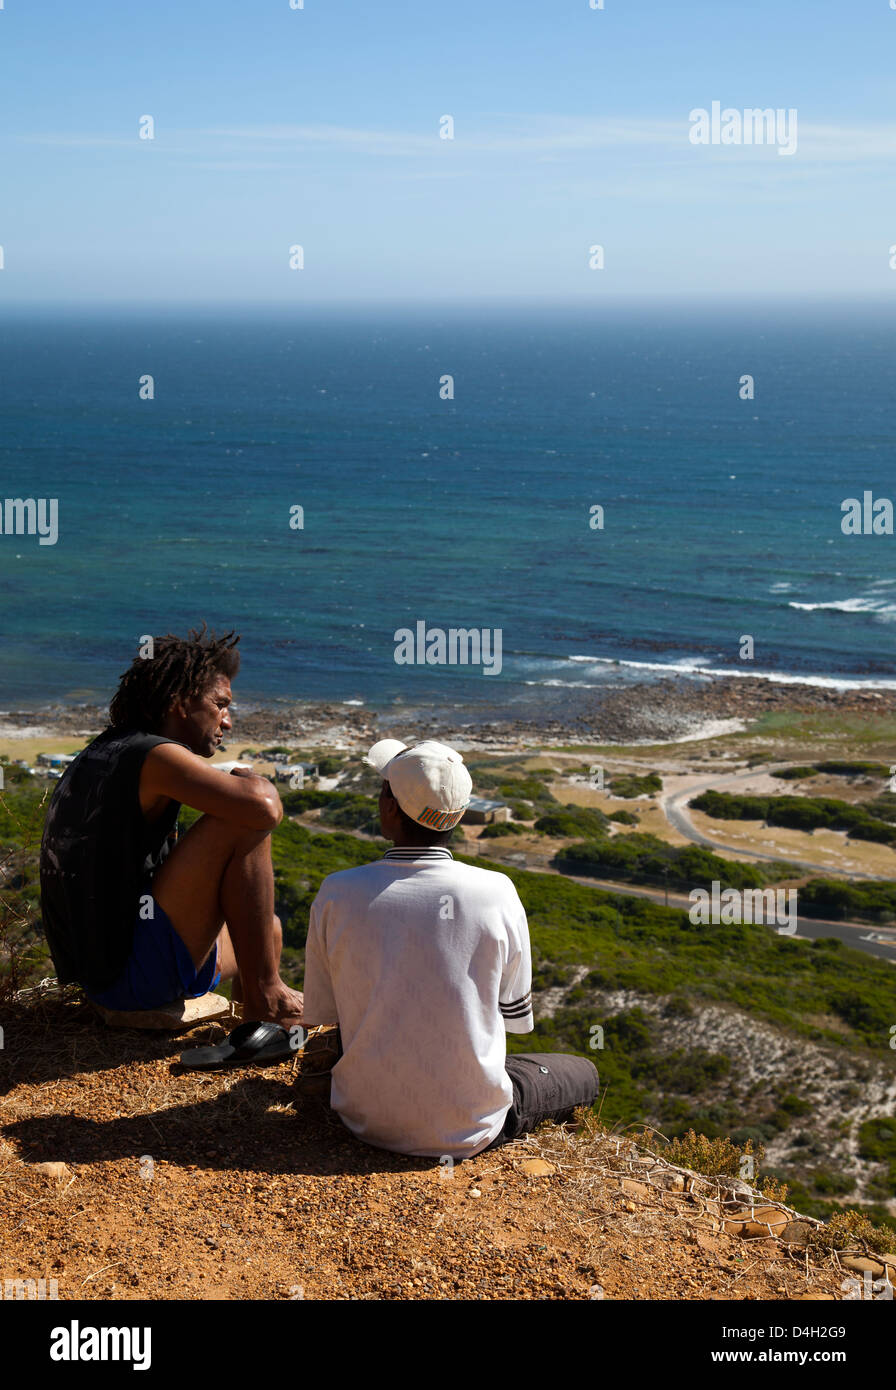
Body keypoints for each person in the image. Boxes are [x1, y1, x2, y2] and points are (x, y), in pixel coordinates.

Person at [302, 738, 600, 1159]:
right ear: (458, 815)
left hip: (363, 1120)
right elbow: (515, 1017)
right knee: (584, 1073)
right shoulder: (497, 891)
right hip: (470, 1131)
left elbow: (324, 1014)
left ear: (389, 808)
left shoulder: (337, 890)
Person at [39, 626, 303, 1058]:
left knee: (267, 932)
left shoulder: (109, 749)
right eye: (220, 705)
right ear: (180, 702)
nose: (227, 720)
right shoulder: (156, 757)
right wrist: (255, 783)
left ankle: (248, 1033)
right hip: (128, 978)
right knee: (243, 821)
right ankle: (265, 1000)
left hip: (103, 971)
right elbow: (264, 810)